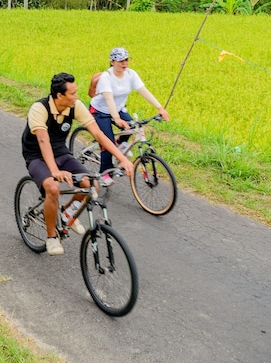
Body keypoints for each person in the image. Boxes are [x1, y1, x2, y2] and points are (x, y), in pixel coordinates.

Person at [23, 72, 134, 256]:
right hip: (36, 155)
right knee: (53, 187)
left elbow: (98, 134)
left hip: (60, 152)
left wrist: (122, 158)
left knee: (91, 185)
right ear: (60, 96)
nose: (76, 96)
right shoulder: (39, 109)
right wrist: (55, 171)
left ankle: (66, 213)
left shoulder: (75, 106)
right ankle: (51, 237)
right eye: (72, 93)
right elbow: (43, 140)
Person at [88, 47, 171, 186]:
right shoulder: (106, 77)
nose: (124, 63)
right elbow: (109, 98)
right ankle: (104, 173)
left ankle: (119, 146)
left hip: (118, 109)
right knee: (108, 142)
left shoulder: (130, 74)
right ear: (112, 62)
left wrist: (159, 107)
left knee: (132, 127)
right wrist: (116, 118)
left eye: (126, 60)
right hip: (100, 111)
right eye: (120, 61)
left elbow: (143, 90)